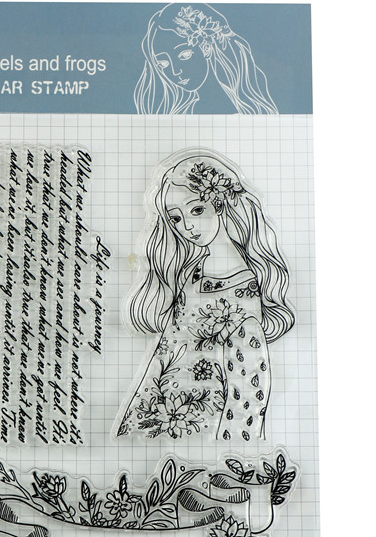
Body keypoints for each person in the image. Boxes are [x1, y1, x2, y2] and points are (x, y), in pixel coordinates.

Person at [115, 150, 293, 442]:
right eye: (175, 218)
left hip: (206, 430)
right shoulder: (191, 272)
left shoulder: (246, 290)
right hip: (158, 417)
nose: (186, 227)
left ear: (220, 203)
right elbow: (168, 351)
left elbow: (249, 389)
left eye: (196, 210)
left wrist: (233, 450)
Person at [134, 4, 279, 114]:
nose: (175, 71)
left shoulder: (248, 112)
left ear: (206, 48)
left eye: (184, 55)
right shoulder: (183, 111)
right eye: (162, 63)